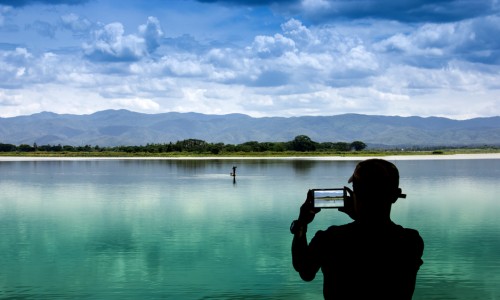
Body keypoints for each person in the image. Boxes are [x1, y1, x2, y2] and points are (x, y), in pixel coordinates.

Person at [290, 158, 424, 299]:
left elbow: (305, 271)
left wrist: (301, 223)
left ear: (354, 192)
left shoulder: (330, 239)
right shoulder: (411, 241)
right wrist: (360, 216)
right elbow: (373, 235)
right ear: (395, 195)